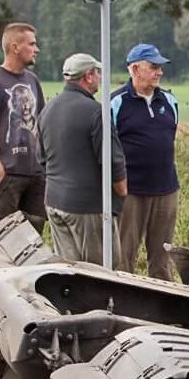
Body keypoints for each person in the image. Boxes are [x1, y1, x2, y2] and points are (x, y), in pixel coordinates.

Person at [38, 53, 127, 266]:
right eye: (97, 73)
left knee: (69, 272)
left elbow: (41, 158)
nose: (98, 77)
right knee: (101, 271)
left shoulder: (48, 110)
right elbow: (111, 160)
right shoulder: (96, 112)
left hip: (54, 202)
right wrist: (122, 190)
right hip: (88, 207)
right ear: (88, 76)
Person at [111, 43, 182, 280]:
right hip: (130, 191)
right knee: (124, 256)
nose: (159, 72)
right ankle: (123, 303)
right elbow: (108, 147)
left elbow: (170, 137)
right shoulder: (116, 103)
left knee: (162, 258)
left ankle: (164, 306)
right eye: (153, 66)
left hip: (166, 190)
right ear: (134, 69)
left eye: (160, 67)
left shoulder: (169, 101)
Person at [0, 22, 46, 231]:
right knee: (2, 236)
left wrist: (45, 168)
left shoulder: (33, 81)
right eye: (31, 44)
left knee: (33, 239)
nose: (36, 49)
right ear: (15, 47)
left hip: (35, 174)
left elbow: (41, 124)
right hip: (7, 173)